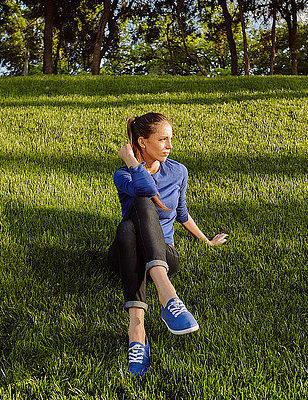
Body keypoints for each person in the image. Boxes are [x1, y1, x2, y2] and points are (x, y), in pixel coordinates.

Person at [107, 112, 228, 378]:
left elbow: (181, 212)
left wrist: (206, 240)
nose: (169, 146)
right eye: (163, 140)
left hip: (164, 253)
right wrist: (131, 162)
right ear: (142, 142)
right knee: (135, 215)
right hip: (125, 253)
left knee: (130, 223)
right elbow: (144, 189)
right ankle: (166, 300)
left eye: (170, 139)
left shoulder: (178, 171)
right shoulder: (123, 174)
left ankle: (139, 330)